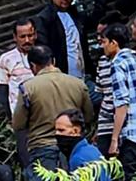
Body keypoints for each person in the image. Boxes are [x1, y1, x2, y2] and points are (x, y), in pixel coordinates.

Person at [13, 45, 93, 181]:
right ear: (53, 61)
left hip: (42, 148)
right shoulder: (78, 84)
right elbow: (88, 116)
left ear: (32, 66)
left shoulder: (27, 88)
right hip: (73, 148)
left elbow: (18, 124)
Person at [33, 0, 107, 79]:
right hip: (61, 79)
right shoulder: (45, 19)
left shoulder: (74, 14)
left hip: (84, 75)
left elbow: (94, 21)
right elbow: (43, 50)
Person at [0, 18, 37, 168]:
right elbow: (3, 91)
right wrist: (9, 118)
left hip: (43, 115)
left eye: (30, 35)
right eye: (22, 37)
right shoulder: (6, 59)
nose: (27, 40)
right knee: (26, 159)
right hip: (21, 118)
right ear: (15, 37)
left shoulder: (43, 54)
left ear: (36, 35)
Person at [104, 24, 136, 179]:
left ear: (114, 43)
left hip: (132, 135)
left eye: (104, 42)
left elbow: (122, 103)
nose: (102, 46)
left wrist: (114, 140)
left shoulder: (118, 64)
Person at [94, 11, 125, 156]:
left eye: (103, 39)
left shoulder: (127, 62)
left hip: (125, 124)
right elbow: (102, 95)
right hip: (105, 124)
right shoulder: (102, 62)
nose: (101, 43)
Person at [55, 109, 110, 180]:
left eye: (61, 130)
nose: (56, 134)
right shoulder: (92, 150)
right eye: (56, 130)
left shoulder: (78, 158)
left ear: (76, 130)